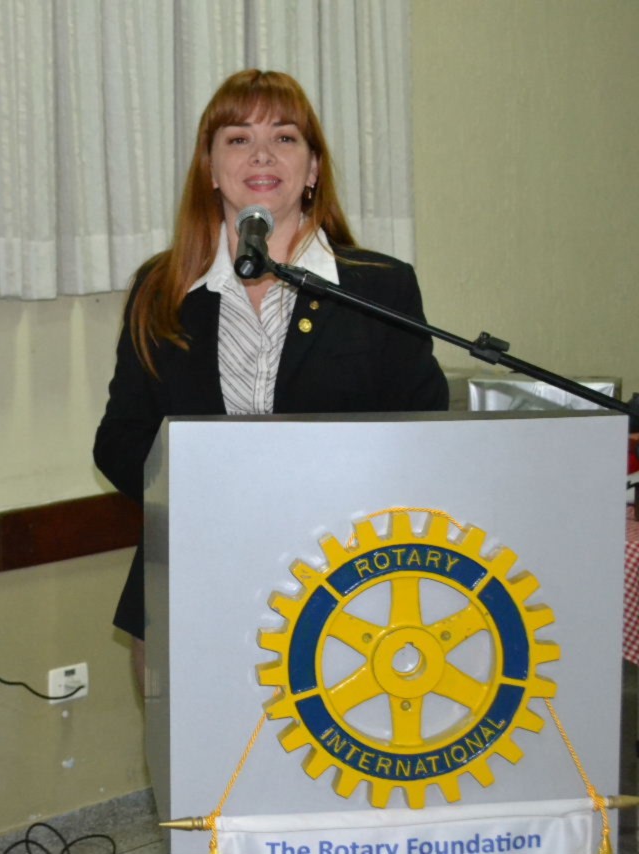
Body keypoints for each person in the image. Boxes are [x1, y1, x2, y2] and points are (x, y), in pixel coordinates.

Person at [93, 69, 448, 685]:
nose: (261, 154)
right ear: (210, 169)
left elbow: (423, 434)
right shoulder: (161, 288)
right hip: (192, 575)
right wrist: (203, 487)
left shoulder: (378, 287)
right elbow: (120, 439)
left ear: (313, 169)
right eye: (238, 138)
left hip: (347, 587)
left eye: (284, 138)